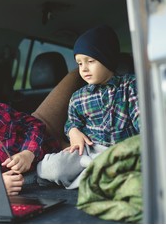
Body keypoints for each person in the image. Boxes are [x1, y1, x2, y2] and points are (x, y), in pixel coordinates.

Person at [36, 25, 140, 189]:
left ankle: (96, 175)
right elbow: (72, 121)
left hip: (123, 151)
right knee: (51, 167)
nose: (83, 68)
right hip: (89, 151)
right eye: (79, 63)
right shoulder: (78, 96)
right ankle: (99, 173)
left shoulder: (131, 86)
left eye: (90, 61)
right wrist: (72, 131)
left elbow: (141, 120)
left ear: (107, 59)